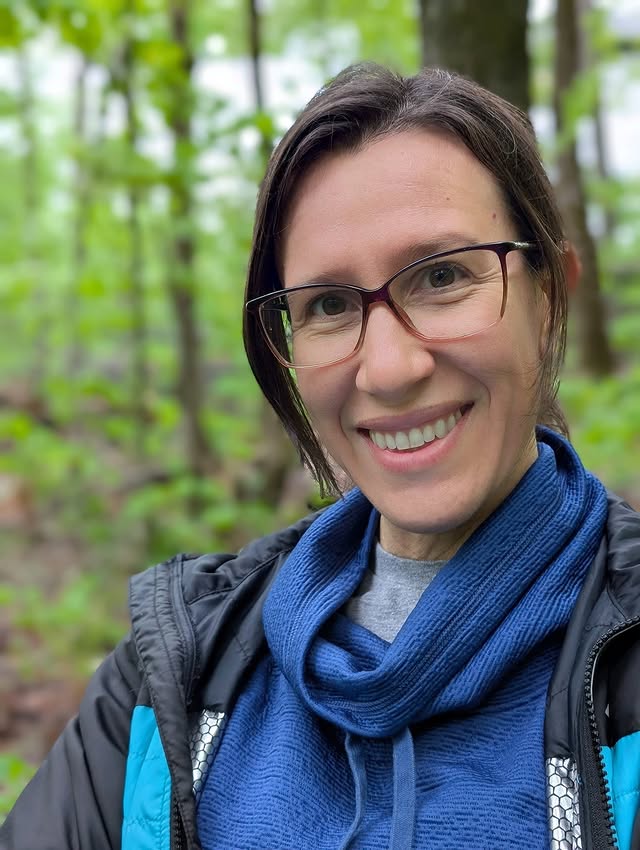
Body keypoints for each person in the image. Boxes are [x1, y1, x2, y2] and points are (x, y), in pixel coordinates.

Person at [2, 62, 640, 850]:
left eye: (443, 276)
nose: (390, 369)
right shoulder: (173, 675)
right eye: (330, 305)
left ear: (550, 297)